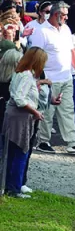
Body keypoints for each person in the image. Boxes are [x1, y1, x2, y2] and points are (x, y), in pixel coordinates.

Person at [29, 2, 75, 154]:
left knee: (68, 110)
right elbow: (35, 56)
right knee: (47, 112)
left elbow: (71, 52)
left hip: (66, 77)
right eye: (64, 15)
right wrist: (38, 80)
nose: (66, 18)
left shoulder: (65, 29)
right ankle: (43, 141)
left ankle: (73, 141)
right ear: (56, 15)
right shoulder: (41, 31)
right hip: (49, 78)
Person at [3, 48, 47, 197]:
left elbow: (13, 92)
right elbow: (20, 99)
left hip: (12, 115)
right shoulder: (27, 76)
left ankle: (8, 185)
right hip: (20, 117)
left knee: (10, 152)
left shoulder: (18, 73)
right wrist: (35, 112)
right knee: (21, 152)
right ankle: (14, 188)